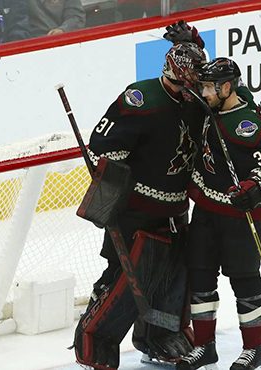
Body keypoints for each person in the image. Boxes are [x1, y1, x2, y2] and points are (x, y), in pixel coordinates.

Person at [71, 38, 209, 369]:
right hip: (137, 214)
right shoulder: (141, 98)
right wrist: (114, 185)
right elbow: (103, 145)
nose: (195, 89)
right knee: (126, 279)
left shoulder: (195, 103)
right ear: (176, 75)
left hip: (176, 210)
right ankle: (94, 339)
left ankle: (158, 337)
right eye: (189, 82)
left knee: (172, 277)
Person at [177, 57, 261, 370]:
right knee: (201, 276)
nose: (204, 92)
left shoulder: (247, 122)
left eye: (209, 86)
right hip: (207, 211)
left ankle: (254, 349)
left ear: (226, 88)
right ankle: (205, 346)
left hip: (239, 216)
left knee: (245, 280)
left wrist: (253, 188)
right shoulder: (213, 109)